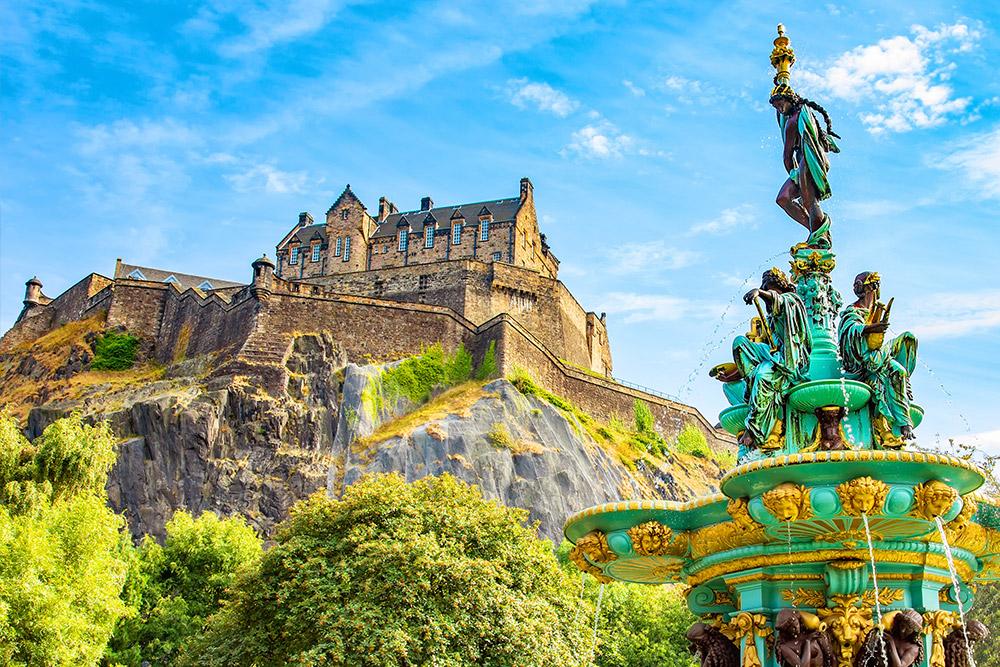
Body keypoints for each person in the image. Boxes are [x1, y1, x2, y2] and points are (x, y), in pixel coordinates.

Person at [733, 268, 812, 450]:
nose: (764, 289)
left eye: (768, 287)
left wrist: (760, 293)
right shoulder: (771, 315)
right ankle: (753, 382)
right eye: (763, 286)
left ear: (779, 287)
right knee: (740, 344)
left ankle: (754, 430)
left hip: (790, 359)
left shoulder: (793, 300)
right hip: (773, 354)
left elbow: (781, 302)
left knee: (763, 375)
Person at [838, 272, 918, 445]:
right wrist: (869, 328)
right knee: (889, 374)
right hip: (863, 361)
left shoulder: (876, 309)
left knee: (908, 340)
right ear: (869, 287)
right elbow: (848, 330)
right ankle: (898, 423)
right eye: (873, 286)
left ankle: (903, 402)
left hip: (878, 354)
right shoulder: (853, 310)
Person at [771, 84, 840, 249]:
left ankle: (819, 238)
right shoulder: (803, 113)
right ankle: (817, 232)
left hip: (808, 162)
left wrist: (793, 174)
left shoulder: (794, 120)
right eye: (776, 107)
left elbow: (787, 156)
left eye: (781, 105)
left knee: (809, 201)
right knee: (784, 198)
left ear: (790, 100)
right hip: (813, 160)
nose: (780, 109)